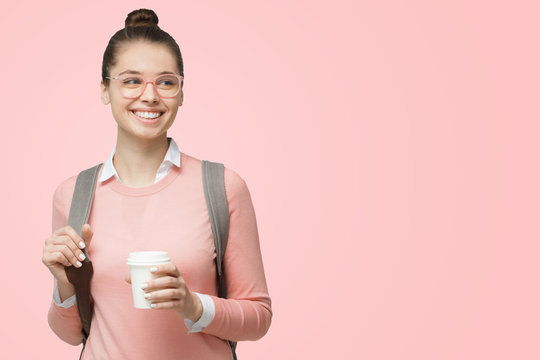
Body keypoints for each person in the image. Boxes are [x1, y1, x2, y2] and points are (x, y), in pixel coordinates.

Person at [41, 8, 272, 360]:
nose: (149, 96)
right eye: (131, 81)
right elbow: (72, 334)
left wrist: (193, 306)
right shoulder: (73, 195)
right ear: (105, 90)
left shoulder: (222, 187)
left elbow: (258, 318)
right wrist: (63, 283)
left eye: (165, 82)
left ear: (180, 92)